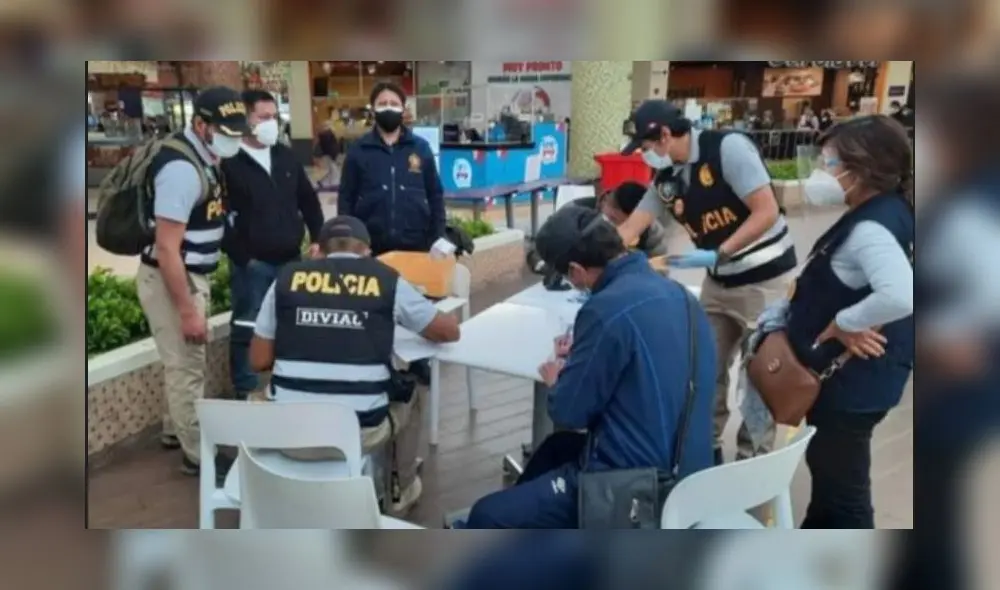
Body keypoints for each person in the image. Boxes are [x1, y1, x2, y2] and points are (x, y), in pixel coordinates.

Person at [461, 205, 716, 528]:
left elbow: (569, 412)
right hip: (692, 474)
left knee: (486, 515)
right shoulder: (680, 294)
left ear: (576, 270)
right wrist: (584, 356)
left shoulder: (604, 309)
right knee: (554, 451)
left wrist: (558, 378)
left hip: (637, 490)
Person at [617, 99, 798, 465]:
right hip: (719, 284)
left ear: (665, 135)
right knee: (703, 367)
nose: (646, 154)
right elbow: (633, 226)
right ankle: (706, 448)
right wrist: (597, 254)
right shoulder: (667, 178)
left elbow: (766, 210)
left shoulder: (727, 149)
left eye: (647, 146)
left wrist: (721, 252)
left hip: (765, 282)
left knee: (758, 376)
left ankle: (753, 461)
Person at [248, 216, 461, 515]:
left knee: (258, 396)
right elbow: (448, 331)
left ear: (318, 250)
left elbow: (258, 360)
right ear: (367, 251)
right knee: (411, 394)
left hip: (287, 433)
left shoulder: (286, 278)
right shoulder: (385, 279)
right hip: (357, 434)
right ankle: (400, 490)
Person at [788, 115, 914, 528]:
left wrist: (846, 321)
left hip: (848, 389)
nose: (821, 172)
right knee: (832, 483)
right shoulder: (890, 210)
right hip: (862, 381)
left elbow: (900, 294)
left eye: (829, 163)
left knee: (844, 497)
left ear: (860, 171)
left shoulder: (871, 228)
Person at [136, 86, 250, 475]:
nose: (233, 140)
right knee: (187, 367)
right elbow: (167, 250)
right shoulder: (181, 170)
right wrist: (187, 310)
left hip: (186, 274)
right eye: (226, 132)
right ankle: (199, 456)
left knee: (182, 364)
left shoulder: (203, 156)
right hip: (174, 279)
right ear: (201, 125)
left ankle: (176, 430)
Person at [220, 89, 325, 401]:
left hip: (290, 259)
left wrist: (318, 238)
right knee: (247, 325)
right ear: (245, 120)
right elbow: (220, 218)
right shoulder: (229, 163)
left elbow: (308, 200)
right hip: (252, 265)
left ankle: (287, 382)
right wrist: (243, 258)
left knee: (291, 321)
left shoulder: (284, 156)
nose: (271, 123)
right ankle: (246, 388)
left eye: (274, 117)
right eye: (263, 117)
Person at [339, 82, 445, 255]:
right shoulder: (358, 150)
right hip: (370, 247)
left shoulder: (421, 148)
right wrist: (350, 241)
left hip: (416, 245)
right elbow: (346, 198)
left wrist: (438, 236)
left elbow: (435, 195)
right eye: (382, 104)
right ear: (373, 110)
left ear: (403, 109)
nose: (389, 108)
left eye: (394, 104)